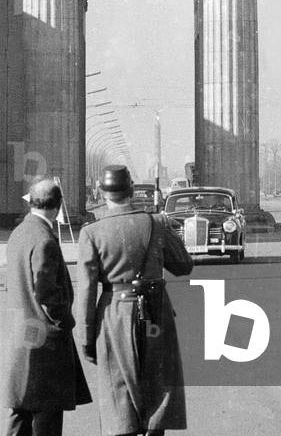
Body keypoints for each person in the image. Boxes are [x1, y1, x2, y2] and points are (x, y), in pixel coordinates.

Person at [76, 165, 193, 436]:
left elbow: (86, 291)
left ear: (102, 194)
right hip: (155, 313)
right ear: (131, 190)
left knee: (118, 391)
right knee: (157, 386)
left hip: (114, 314)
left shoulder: (91, 233)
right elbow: (184, 266)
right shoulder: (156, 223)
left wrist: (86, 338)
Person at [1, 178, 91, 436]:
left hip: (20, 336)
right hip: (44, 342)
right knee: (47, 418)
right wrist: (65, 322)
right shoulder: (44, 240)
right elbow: (47, 293)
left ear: (31, 202)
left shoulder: (19, 233)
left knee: (20, 411)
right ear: (58, 205)